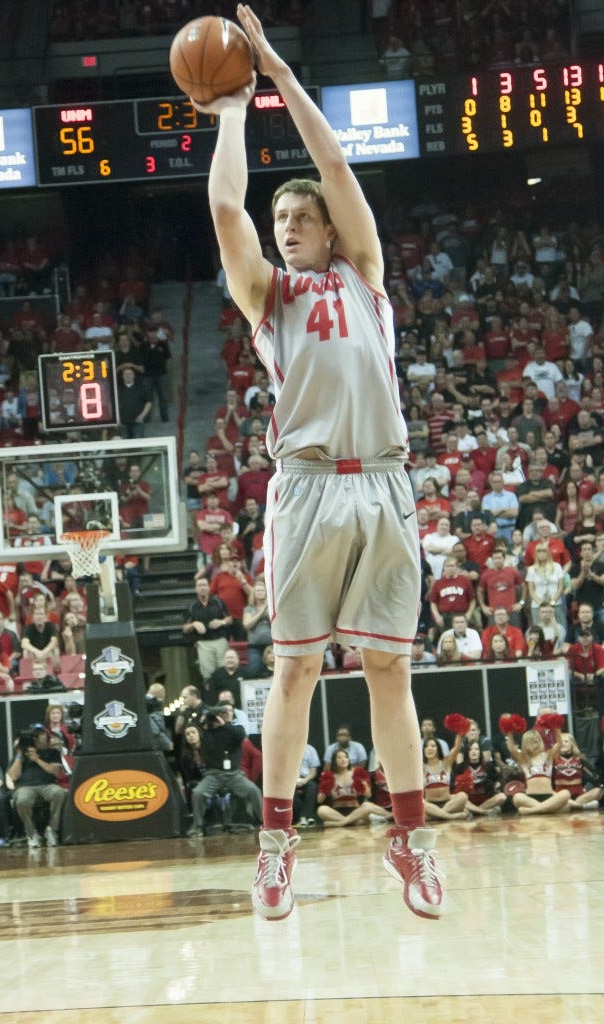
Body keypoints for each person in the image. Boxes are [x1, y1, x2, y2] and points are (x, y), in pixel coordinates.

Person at [197, 4, 441, 922]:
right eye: (282, 216)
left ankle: (410, 838)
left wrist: (279, 81)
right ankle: (274, 850)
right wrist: (229, 117)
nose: (289, 223)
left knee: (389, 673)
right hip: (302, 490)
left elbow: (334, 166)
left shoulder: (364, 272)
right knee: (294, 672)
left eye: (302, 215)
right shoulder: (268, 296)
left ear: (331, 231)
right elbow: (227, 210)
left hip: (383, 481)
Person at [187, 706, 262, 837]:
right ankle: (197, 827)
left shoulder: (236, 729)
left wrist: (224, 724)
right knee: (198, 793)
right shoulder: (207, 734)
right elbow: (198, 740)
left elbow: (240, 735)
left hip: (234, 774)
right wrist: (202, 723)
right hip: (213, 774)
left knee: (253, 790)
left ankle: (265, 822)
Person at [8, 725, 66, 849]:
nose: (39, 740)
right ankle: (32, 834)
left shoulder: (53, 752)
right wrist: (19, 754)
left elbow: (55, 771)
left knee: (59, 793)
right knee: (22, 800)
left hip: (47, 784)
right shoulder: (20, 756)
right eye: (37, 738)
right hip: (25, 786)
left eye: (42, 737)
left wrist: (37, 759)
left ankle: (52, 830)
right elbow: (13, 776)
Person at [503, 722, 571, 815]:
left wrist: (556, 727)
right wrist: (509, 732)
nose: (537, 743)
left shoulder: (548, 756)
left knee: (566, 793)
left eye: (538, 740)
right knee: (517, 797)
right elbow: (512, 749)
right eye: (533, 741)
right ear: (526, 744)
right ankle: (548, 809)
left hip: (548, 796)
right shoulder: (524, 759)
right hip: (531, 797)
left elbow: (559, 743)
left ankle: (532, 811)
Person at [316, 748, 391, 827]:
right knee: (321, 809)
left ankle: (341, 823)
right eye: (339, 758)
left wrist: (364, 784)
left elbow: (368, 795)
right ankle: (353, 822)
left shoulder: (357, 773)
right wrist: (324, 789)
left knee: (367, 805)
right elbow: (319, 800)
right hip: (337, 811)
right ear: (334, 761)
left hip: (356, 810)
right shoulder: (329, 776)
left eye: (345, 757)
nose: (343, 760)